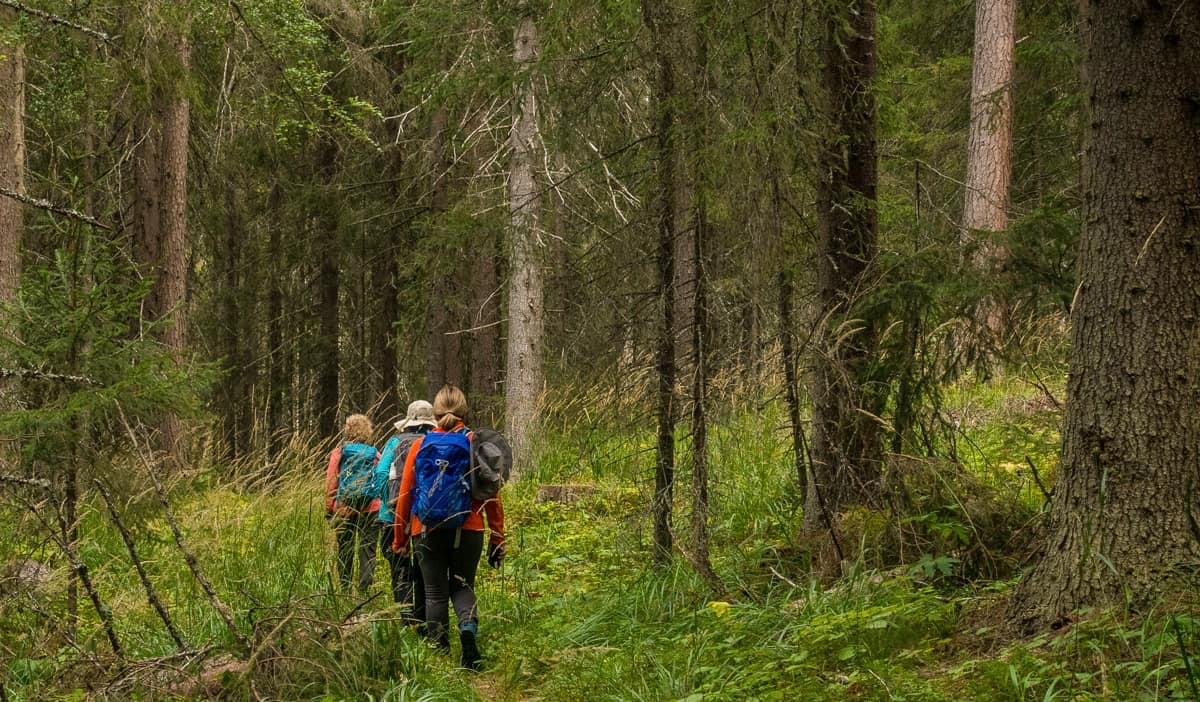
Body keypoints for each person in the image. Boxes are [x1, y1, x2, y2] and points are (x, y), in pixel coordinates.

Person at [393, 385, 506, 670]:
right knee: (462, 586)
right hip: (468, 527)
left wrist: (400, 538)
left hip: (426, 528)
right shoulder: (474, 443)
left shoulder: (421, 445)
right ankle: (468, 633)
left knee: (434, 593)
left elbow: (405, 494)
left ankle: (439, 654)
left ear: (436, 412)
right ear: (464, 411)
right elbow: (491, 493)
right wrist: (497, 536)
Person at [375, 400, 435, 623]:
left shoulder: (394, 442)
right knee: (423, 568)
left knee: (399, 567)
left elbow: (381, 473)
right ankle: (422, 618)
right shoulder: (432, 441)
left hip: (391, 516)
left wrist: (390, 499)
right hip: (424, 517)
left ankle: (406, 617)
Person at [324, 414, 381, 594]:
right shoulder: (375, 454)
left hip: (344, 508)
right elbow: (380, 480)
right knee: (368, 551)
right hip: (370, 508)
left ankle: (345, 590)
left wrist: (329, 508)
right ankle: (364, 594)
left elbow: (331, 482)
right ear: (368, 431)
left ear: (347, 430)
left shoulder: (339, 452)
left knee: (345, 550)